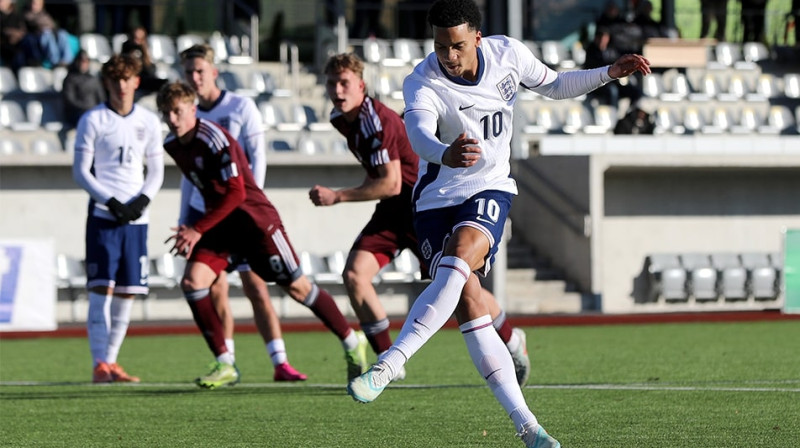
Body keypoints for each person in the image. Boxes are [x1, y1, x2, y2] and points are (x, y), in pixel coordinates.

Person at [346, 1, 650, 447]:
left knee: (461, 256)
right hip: (434, 201)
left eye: (457, 45)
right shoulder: (422, 80)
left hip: (489, 187)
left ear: (478, 38)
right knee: (470, 306)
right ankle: (529, 428)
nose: (448, 55)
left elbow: (555, 84)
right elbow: (418, 134)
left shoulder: (508, 54)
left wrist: (607, 73)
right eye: (440, 46)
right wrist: (442, 152)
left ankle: (390, 363)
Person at [313, 52, 532, 386]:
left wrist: (337, 196)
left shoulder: (375, 119)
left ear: (361, 85)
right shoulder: (341, 118)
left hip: (422, 206)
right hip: (392, 210)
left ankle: (512, 338)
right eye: (332, 83)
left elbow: (391, 181)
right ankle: (389, 362)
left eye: (344, 83)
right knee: (355, 274)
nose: (337, 91)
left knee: (463, 287)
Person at [156, 81, 368, 388]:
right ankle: (225, 362)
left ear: (192, 108)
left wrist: (196, 228)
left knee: (298, 289)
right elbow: (205, 189)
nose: (172, 119)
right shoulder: (172, 144)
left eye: (177, 111)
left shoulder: (213, 138)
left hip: (256, 223)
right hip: (221, 226)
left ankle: (352, 341)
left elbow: (236, 192)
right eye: (166, 113)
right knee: (192, 282)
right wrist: (192, 226)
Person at [177, 43, 308, 382]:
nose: (195, 78)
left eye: (200, 71)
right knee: (214, 287)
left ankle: (280, 362)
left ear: (214, 72)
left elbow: (257, 158)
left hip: (242, 213)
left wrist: (250, 209)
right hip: (207, 216)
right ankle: (227, 362)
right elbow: (188, 177)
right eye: (189, 72)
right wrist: (184, 219)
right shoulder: (187, 115)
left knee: (256, 286)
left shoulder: (240, 106)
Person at [72, 53, 165, 383]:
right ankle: (99, 363)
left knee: (127, 292)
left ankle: (111, 362)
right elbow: (81, 172)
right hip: (103, 216)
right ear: (106, 83)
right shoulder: (93, 120)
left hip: (136, 220)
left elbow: (156, 171)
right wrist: (110, 202)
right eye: (115, 80)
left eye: (127, 79)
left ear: (137, 82)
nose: (121, 86)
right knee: (101, 290)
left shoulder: (149, 121)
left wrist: (141, 200)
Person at [23, 0, 75, 68]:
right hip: (37, 37)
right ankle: (55, 62)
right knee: (47, 34)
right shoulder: (27, 14)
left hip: (50, 33)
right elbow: (36, 26)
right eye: (33, 3)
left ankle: (67, 61)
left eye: (37, 4)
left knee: (63, 33)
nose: (34, 6)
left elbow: (52, 25)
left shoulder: (45, 14)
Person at [62, 50, 106, 129]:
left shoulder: (94, 79)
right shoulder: (70, 79)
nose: (83, 64)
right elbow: (70, 101)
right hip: (78, 114)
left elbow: (101, 99)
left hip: (95, 112)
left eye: (86, 61)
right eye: (81, 60)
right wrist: (87, 108)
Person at [120, 25, 165, 95]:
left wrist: (145, 51)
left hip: (145, 78)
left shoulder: (146, 48)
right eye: (135, 38)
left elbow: (149, 69)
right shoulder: (127, 47)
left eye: (140, 39)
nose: (137, 42)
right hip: (133, 78)